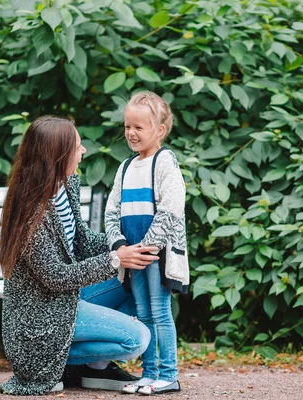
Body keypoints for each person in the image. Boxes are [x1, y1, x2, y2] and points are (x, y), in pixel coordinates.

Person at [0, 115, 160, 395]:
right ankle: (53, 362)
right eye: (77, 147)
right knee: (137, 339)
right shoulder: (31, 213)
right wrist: (115, 259)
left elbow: (81, 239)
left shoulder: (65, 184)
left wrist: (127, 244)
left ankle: (96, 369)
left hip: (67, 301)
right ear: (57, 156)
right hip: (41, 318)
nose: (83, 151)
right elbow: (56, 277)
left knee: (139, 276)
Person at [105, 91, 190, 395]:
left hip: (156, 254)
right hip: (132, 255)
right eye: (128, 126)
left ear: (159, 131)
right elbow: (112, 211)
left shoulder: (164, 162)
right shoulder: (126, 168)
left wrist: (150, 247)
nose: (131, 133)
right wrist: (118, 247)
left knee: (159, 310)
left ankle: (168, 373)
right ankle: (149, 372)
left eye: (139, 127)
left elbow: (172, 206)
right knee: (142, 312)